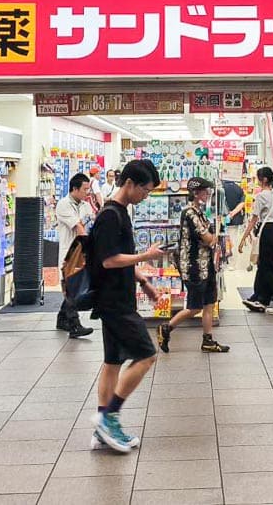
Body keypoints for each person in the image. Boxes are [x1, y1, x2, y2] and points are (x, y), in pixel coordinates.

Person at [88, 159, 166, 453]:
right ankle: (109, 417)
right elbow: (108, 260)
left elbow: (118, 257)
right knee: (147, 355)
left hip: (117, 296)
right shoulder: (111, 215)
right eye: (145, 191)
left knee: (112, 362)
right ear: (130, 183)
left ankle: (101, 430)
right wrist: (144, 257)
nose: (145, 196)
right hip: (114, 301)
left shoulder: (119, 212)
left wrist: (142, 280)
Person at [158, 177, 230, 354]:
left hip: (206, 264)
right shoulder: (189, 213)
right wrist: (212, 238)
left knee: (209, 303)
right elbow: (207, 238)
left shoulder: (200, 212)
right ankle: (166, 328)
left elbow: (211, 238)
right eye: (205, 191)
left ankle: (208, 341)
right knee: (195, 307)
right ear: (196, 193)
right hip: (194, 266)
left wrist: (213, 238)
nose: (208, 194)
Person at [242, 167, 273, 315]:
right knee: (266, 265)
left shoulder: (261, 196)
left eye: (258, 178)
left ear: (263, 180)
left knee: (267, 267)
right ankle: (261, 298)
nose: (257, 181)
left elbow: (254, 219)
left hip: (266, 232)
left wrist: (243, 238)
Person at [56, 173, 95, 339]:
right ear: (74, 189)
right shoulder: (63, 205)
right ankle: (74, 325)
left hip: (82, 251)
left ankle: (61, 319)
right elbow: (79, 227)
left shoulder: (85, 205)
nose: (87, 192)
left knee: (74, 285)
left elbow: (91, 222)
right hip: (70, 252)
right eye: (85, 189)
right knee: (71, 286)